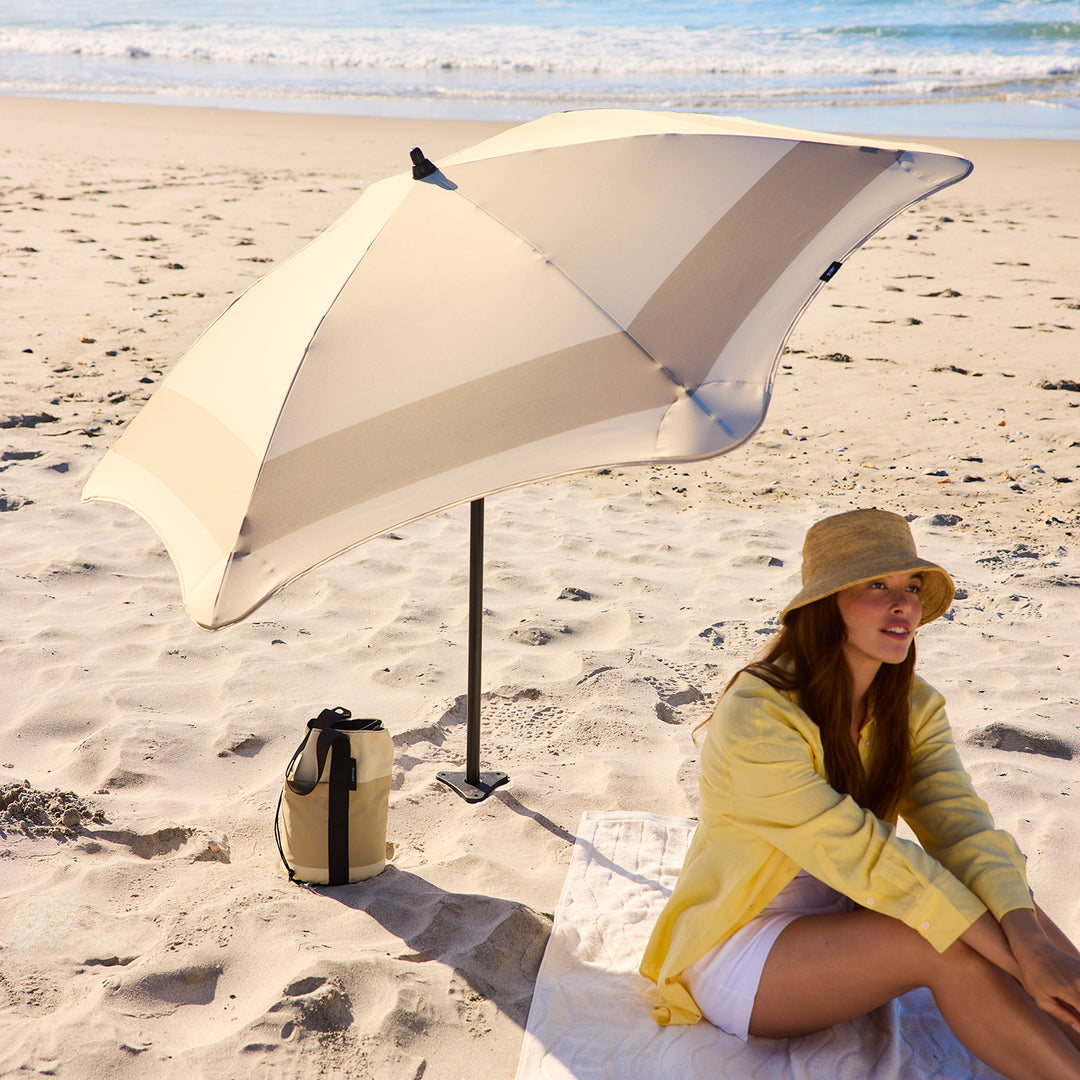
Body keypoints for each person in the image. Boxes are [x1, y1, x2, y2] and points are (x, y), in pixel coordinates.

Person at [640, 508, 1080, 1079]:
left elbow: (962, 827)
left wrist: (1031, 942)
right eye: (878, 585)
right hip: (742, 947)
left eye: (912, 587)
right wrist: (1023, 967)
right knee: (937, 942)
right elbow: (866, 853)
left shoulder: (911, 704)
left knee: (1016, 907)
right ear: (828, 604)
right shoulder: (760, 713)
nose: (904, 605)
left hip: (844, 924)